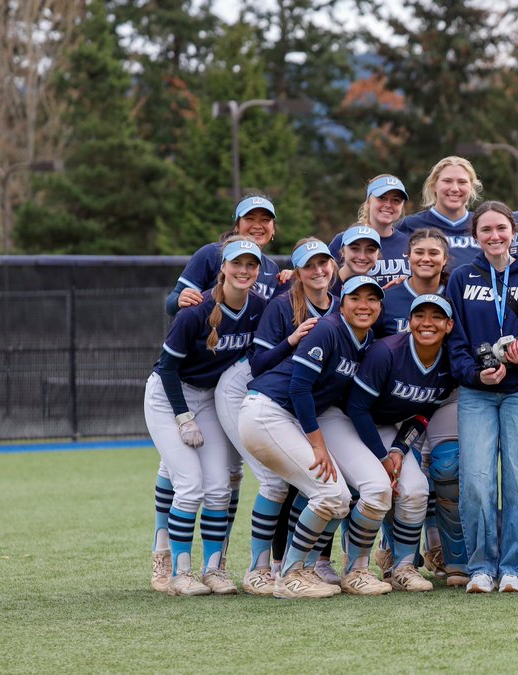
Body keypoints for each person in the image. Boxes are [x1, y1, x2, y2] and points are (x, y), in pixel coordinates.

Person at [150, 195, 289, 592]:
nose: (258, 225)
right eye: (251, 219)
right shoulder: (211, 254)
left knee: (224, 478)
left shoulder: (271, 270)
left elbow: (272, 324)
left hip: (221, 389)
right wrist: (181, 300)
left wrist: (287, 284)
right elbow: (171, 305)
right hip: (178, 386)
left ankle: (216, 564)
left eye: (267, 220)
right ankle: (167, 560)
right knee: (180, 475)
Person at [239, 275, 386, 598]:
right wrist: (318, 444)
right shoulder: (328, 327)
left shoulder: (367, 337)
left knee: (339, 494)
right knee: (330, 494)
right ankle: (290, 575)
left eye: (372, 299)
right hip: (267, 412)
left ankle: (304, 569)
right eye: (355, 298)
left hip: (289, 417)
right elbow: (299, 387)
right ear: (341, 303)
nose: (364, 305)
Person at [214, 238, 335, 596]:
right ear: (296, 272)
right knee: (274, 482)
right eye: (309, 265)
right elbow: (257, 365)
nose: (318, 270)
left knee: (302, 482)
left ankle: (292, 566)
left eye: (323, 263)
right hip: (244, 391)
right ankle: (257, 570)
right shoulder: (283, 306)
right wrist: (293, 340)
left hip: (288, 399)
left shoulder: (339, 303)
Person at [445, 201, 518, 593]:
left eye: (501, 229)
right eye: (486, 230)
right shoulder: (460, 277)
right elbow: (454, 341)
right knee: (476, 481)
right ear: (475, 235)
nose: (494, 236)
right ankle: (480, 567)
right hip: (476, 393)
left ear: (514, 232)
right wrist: (477, 373)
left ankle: (514, 568)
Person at [345, 294, 458, 592]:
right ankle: (354, 568)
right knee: (371, 490)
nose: (427, 323)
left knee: (417, 489)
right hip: (350, 423)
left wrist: (399, 449)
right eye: (420, 316)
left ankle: (403, 566)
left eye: (437, 317)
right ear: (409, 322)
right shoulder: (387, 351)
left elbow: (422, 414)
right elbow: (357, 407)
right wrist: (383, 457)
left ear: (449, 325)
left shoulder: (448, 362)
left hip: (386, 427)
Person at [398, 156, 484, 269]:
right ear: (434, 185)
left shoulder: (484, 225)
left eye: (462, 182)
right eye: (447, 181)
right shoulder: (409, 225)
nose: (455, 188)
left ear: (471, 187)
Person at [328, 174, 411, 286]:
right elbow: (326, 285)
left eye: (396, 200)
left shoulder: (409, 243)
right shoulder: (344, 240)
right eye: (382, 198)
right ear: (368, 202)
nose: (388, 205)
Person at [331, 225, 383, 296]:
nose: (362, 257)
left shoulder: (376, 288)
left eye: (370, 250)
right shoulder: (325, 286)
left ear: (377, 255)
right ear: (342, 251)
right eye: (355, 248)